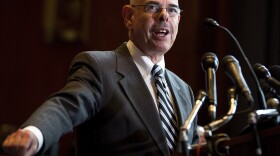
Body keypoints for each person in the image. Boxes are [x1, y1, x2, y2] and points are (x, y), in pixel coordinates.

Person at [2, 0, 199, 155]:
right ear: (129, 16)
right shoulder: (100, 67)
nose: (164, 15)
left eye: (172, 10)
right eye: (152, 7)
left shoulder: (185, 91)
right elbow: (66, 105)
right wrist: (33, 134)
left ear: (178, 21)